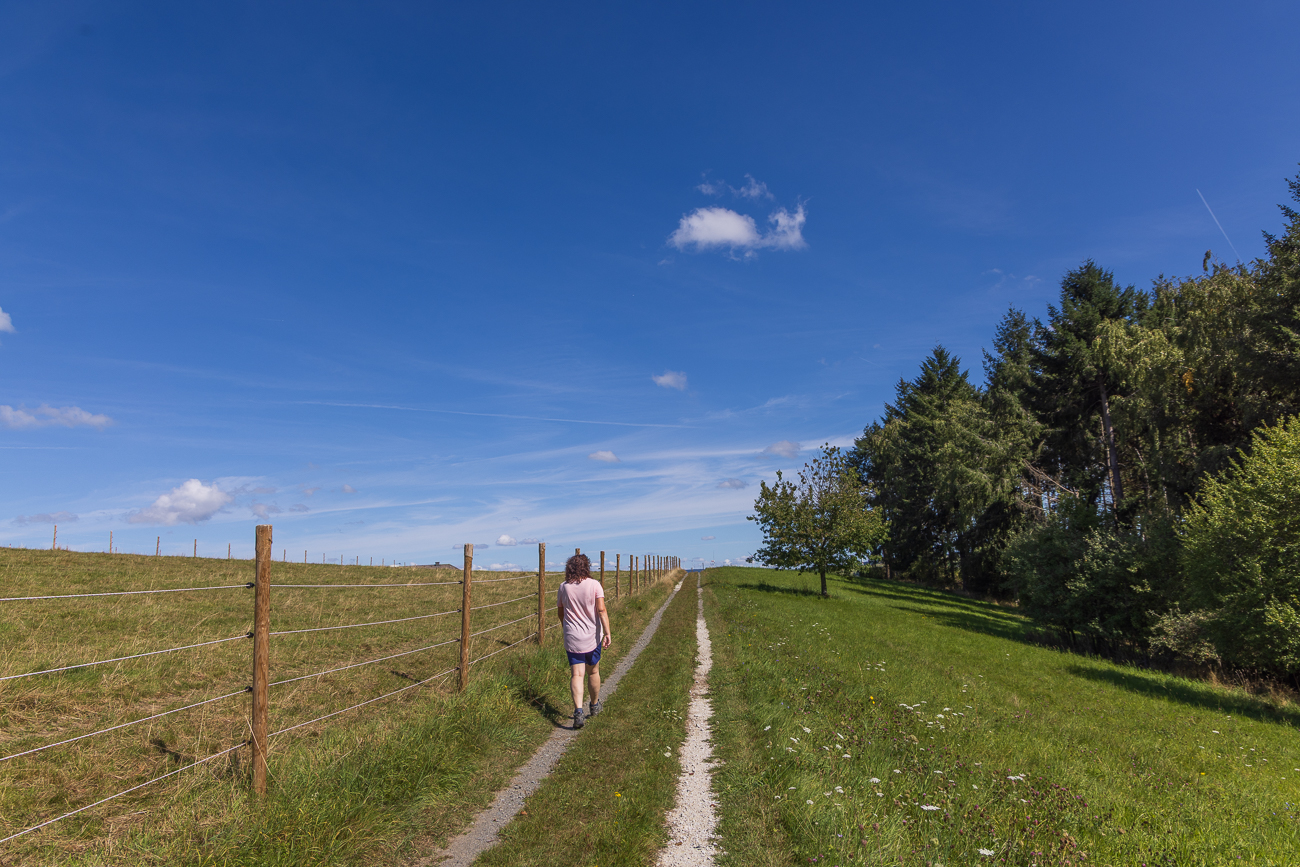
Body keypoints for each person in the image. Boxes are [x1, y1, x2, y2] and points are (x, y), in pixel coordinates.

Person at [556, 553, 611, 729]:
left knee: (576, 674)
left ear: (569, 568)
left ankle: (578, 711)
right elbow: (601, 610)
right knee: (593, 672)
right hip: (592, 636)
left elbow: (560, 612)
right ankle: (594, 705)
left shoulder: (563, 587)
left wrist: (567, 627)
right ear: (587, 567)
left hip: (572, 637)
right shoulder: (595, 585)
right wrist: (608, 632)